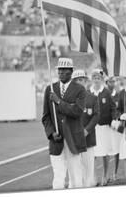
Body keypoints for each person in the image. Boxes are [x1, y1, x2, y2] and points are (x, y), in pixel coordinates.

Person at [42, 58, 87, 189]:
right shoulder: (49, 89)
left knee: (75, 179)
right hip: (57, 141)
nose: (61, 72)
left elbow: (77, 111)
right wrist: (51, 133)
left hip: (73, 139)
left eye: (64, 70)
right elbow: (46, 117)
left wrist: (58, 102)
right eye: (59, 70)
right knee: (58, 177)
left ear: (71, 71)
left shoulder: (80, 90)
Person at [72, 69, 99, 187]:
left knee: (88, 171)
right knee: (75, 171)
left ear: (85, 81)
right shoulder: (69, 99)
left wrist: (87, 130)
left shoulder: (92, 98)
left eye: (81, 80)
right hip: (73, 140)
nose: (79, 82)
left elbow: (96, 116)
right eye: (77, 80)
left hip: (88, 140)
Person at [91, 69, 117, 186]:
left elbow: (113, 108)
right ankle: (93, 176)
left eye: (98, 78)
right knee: (93, 153)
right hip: (92, 127)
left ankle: (105, 176)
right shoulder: (88, 92)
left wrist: (113, 119)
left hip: (104, 127)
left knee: (105, 152)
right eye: (94, 77)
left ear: (101, 80)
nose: (96, 80)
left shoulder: (106, 92)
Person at [106, 76, 121, 181]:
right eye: (110, 81)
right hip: (106, 126)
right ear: (106, 82)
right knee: (106, 150)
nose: (112, 83)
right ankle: (106, 174)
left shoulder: (118, 95)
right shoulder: (104, 94)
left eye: (113, 81)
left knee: (117, 150)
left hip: (115, 126)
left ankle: (115, 173)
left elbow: (119, 109)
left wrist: (116, 120)